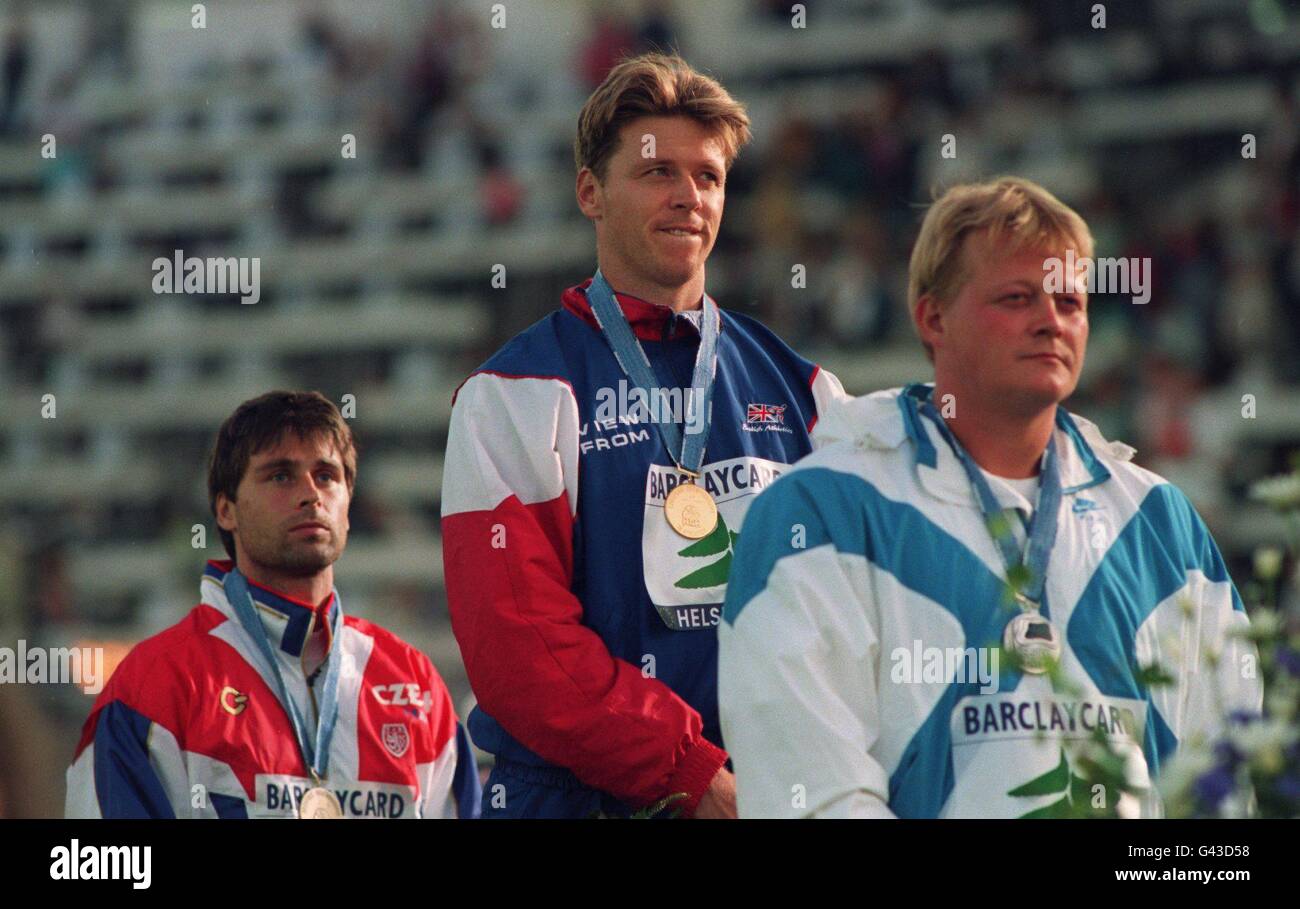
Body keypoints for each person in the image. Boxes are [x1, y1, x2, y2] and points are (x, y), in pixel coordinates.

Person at [718, 177, 1263, 818]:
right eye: (1016, 297)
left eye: (1069, 300)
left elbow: (1225, 781)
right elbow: (809, 792)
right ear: (933, 317)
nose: (1051, 321)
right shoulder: (821, 512)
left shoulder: (1158, 523)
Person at [441, 52, 846, 818]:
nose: (689, 197)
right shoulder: (512, 394)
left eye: (710, 177)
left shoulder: (807, 393)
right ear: (590, 192)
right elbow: (519, 655)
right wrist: (687, 769)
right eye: (660, 172)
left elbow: (851, 618)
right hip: (571, 801)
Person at [67, 391, 481, 819]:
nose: (310, 495)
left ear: (348, 507)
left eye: (327, 476)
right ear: (226, 510)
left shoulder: (416, 686)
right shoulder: (154, 686)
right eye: (280, 476)